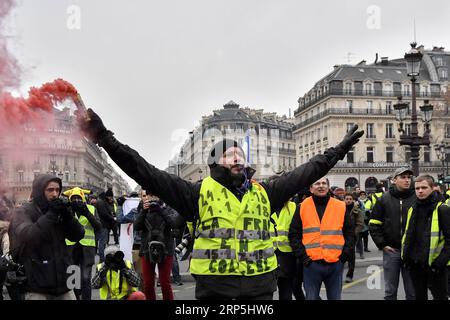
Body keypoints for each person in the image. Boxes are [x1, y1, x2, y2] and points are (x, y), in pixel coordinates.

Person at [76, 108, 363, 299]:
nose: (237, 157)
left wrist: (338, 151)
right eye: (229, 154)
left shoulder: (266, 192)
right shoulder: (195, 193)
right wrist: (105, 138)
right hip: (216, 292)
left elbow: (308, 172)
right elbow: (144, 170)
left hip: (261, 289)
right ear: (215, 162)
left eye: (240, 154)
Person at [8, 174, 85, 300]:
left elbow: (78, 235)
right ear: (39, 191)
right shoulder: (23, 211)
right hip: (36, 285)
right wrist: (51, 215)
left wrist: (67, 216)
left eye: (57, 190)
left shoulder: (58, 210)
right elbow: (30, 236)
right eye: (50, 190)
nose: (55, 194)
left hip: (63, 282)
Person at [289, 177, 355, 300]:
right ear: (311, 188)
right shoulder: (302, 207)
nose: (321, 186)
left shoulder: (340, 206)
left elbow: (350, 232)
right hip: (312, 264)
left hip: (335, 263)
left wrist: (344, 256)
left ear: (328, 187)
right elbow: (294, 234)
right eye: (317, 183)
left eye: (324, 183)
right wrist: (304, 258)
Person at [369, 167, 416, 300]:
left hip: (411, 251)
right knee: (390, 292)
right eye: (403, 177)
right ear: (394, 180)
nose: (407, 180)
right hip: (392, 251)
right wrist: (382, 244)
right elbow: (374, 224)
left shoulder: (416, 197)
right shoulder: (384, 199)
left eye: (408, 177)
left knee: (412, 292)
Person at [402, 175, 450, 300]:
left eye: (424, 187)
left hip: (435, 265)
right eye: (417, 188)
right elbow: (408, 235)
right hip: (415, 264)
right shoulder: (412, 208)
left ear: (433, 188)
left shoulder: (442, 209)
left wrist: (439, 263)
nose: (420, 191)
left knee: (440, 297)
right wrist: (406, 258)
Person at [134, 193, 184, 300]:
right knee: (147, 284)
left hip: (166, 248)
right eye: (149, 195)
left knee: (165, 283)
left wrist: (161, 211)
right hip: (147, 249)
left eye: (154, 195)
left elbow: (174, 223)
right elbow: (137, 226)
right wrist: (144, 211)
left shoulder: (168, 206)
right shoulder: (142, 207)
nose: (152, 198)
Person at [63, 187, 102, 300]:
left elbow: (98, 227)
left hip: (87, 248)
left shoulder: (91, 208)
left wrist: (87, 213)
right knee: (72, 279)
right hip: (71, 247)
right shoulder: (67, 210)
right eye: (73, 198)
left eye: (79, 198)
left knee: (85, 278)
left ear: (83, 199)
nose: (76, 201)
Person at [271, 200, 305, 300]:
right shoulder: (265, 204)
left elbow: (298, 230)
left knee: (286, 294)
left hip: (288, 256)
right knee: (265, 293)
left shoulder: (293, 207)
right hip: (268, 255)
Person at [343, 193, 364, 283]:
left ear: (353, 200)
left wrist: (354, 233)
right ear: (344, 199)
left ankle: (349, 275)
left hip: (352, 236)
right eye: (347, 199)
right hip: (341, 235)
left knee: (351, 255)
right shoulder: (340, 209)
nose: (348, 200)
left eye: (350, 199)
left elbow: (360, 224)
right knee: (341, 255)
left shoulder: (357, 210)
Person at [95, 190, 117, 262]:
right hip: (103, 225)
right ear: (108, 196)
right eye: (110, 197)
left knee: (102, 242)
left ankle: (102, 257)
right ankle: (102, 259)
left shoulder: (102, 201)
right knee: (102, 242)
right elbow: (104, 214)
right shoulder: (101, 202)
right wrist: (112, 218)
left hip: (103, 224)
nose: (111, 198)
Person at [357, 191, 371, 255]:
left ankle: (365, 247)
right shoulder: (357, 201)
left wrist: (361, 208)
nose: (362, 195)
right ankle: (358, 248)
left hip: (365, 220)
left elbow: (367, 208)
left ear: (365, 195)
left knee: (365, 236)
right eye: (361, 194)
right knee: (358, 236)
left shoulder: (368, 201)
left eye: (363, 194)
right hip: (359, 221)